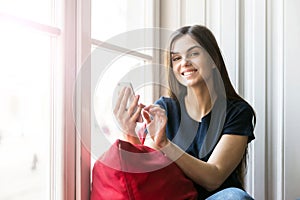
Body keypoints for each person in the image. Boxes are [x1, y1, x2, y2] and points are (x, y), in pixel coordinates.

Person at [113, 25, 255, 200]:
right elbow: (147, 171)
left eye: (193, 54)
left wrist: (166, 144)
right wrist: (130, 134)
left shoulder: (237, 112)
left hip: (220, 197)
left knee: (234, 196)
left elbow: (214, 177)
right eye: (176, 58)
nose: (184, 62)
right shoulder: (165, 109)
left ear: (213, 60)